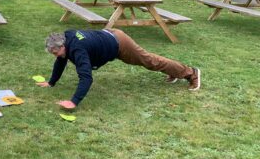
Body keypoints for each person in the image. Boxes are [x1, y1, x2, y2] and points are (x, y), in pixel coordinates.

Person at [37, 30, 201, 110]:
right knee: (151, 61)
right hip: (111, 35)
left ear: (63, 45)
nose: (56, 56)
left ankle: (191, 73)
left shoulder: (77, 50)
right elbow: (61, 60)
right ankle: (174, 72)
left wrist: (73, 101)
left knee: (150, 61)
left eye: (55, 52)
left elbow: (86, 77)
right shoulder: (67, 37)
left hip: (121, 44)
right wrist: (51, 82)